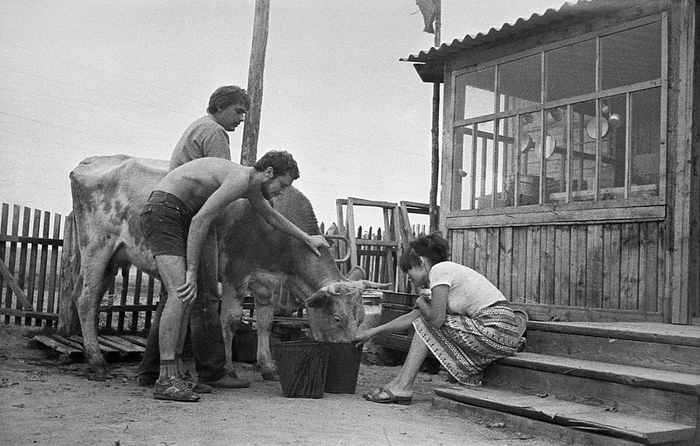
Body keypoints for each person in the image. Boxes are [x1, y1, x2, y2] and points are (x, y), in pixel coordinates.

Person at [140, 152, 330, 401]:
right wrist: (191, 272)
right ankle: (165, 380)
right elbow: (201, 220)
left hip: (179, 214)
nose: (282, 192)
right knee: (180, 292)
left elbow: (271, 216)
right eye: (282, 185)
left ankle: (176, 375)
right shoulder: (240, 179)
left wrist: (305, 237)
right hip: (165, 212)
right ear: (269, 173)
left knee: (186, 297)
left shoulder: (251, 186)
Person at [138, 86, 253, 392]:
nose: (241, 119)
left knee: (174, 296)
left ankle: (151, 371)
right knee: (203, 295)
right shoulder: (215, 132)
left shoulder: (198, 126)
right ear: (220, 107)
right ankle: (212, 370)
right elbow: (221, 192)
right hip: (192, 215)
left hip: (178, 210)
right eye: (238, 111)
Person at [355, 232, 524, 405]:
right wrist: (372, 332)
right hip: (503, 332)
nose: (409, 277)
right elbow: (411, 318)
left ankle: (403, 385)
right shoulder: (443, 277)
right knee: (423, 322)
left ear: (421, 262)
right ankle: (399, 384)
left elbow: (435, 320)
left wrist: (421, 301)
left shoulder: (439, 270)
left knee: (427, 323)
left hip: (496, 328)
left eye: (408, 271)